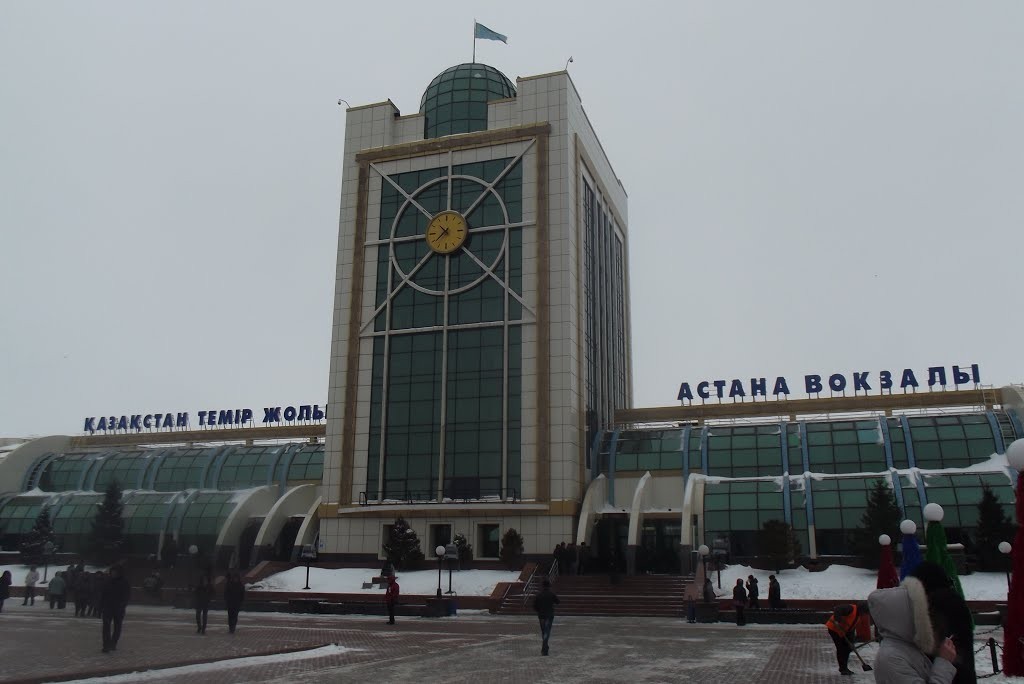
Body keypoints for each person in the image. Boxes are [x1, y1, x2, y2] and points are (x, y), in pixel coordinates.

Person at [869, 571, 958, 684]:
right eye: (922, 612)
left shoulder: (907, 647)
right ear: (905, 616)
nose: (927, 618)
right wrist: (944, 662)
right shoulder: (891, 658)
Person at [910, 561, 975, 684]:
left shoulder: (936, 603)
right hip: (961, 666)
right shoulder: (954, 599)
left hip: (945, 667)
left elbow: (932, 639)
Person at [825, 602, 865, 675]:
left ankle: (844, 668)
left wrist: (851, 641)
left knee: (847, 648)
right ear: (862, 609)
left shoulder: (858, 615)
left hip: (844, 631)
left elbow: (851, 627)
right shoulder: (850, 608)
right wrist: (837, 620)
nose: (864, 614)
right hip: (834, 629)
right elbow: (838, 608)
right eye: (865, 612)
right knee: (841, 648)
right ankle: (843, 669)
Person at [100, 564, 130, 653]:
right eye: (112, 572)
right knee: (106, 627)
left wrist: (122, 606)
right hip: (107, 608)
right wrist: (100, 606)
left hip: (118, 608)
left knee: (117, 627)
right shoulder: (107, 581)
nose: (113, 573)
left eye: (115, 572)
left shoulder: (124, 582)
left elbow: (126, 596)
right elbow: (103, 594)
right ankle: (106, 645)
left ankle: (113, 643)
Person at [532, 579, 560, 656]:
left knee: (544, 631)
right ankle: (544, 648)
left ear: (542, 586)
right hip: (549, 615)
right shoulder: (551, 594)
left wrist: (539, 610)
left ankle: (545, 647)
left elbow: (534, 606)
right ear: (549, 586)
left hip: (541, 615)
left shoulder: (539, 595)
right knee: (547, 631)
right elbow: (558, 602)